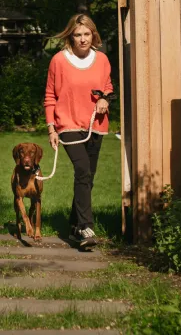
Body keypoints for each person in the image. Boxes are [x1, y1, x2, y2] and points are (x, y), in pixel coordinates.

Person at [44, 14, 113, 248]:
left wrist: (105, 98)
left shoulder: (102, 59)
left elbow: (107, 86)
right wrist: (51, 128)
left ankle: (73, 227)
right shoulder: (59, 61)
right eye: (78, 35)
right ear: (70, 36)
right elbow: (50, 96)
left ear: (93, 34)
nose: (83, 39)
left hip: (96, 125)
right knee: (82, 170)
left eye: (86, 34)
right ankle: (85, 227)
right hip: (68, 125)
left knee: (87, 178)